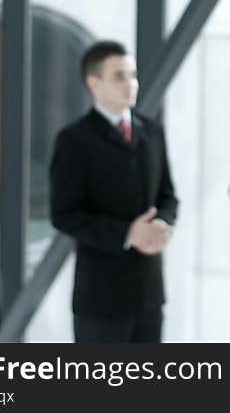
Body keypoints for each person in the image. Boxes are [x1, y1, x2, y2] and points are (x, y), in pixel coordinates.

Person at [50, 41, 178, 343]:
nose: (131, 84)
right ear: (94, 84)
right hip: (100, 298)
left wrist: (163, 223)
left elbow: (168, 195)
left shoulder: (152, 132)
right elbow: (64, 215)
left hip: (149, 293)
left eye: (132, 75)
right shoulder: (74, 140)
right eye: (119, 76)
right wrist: (127, 234)